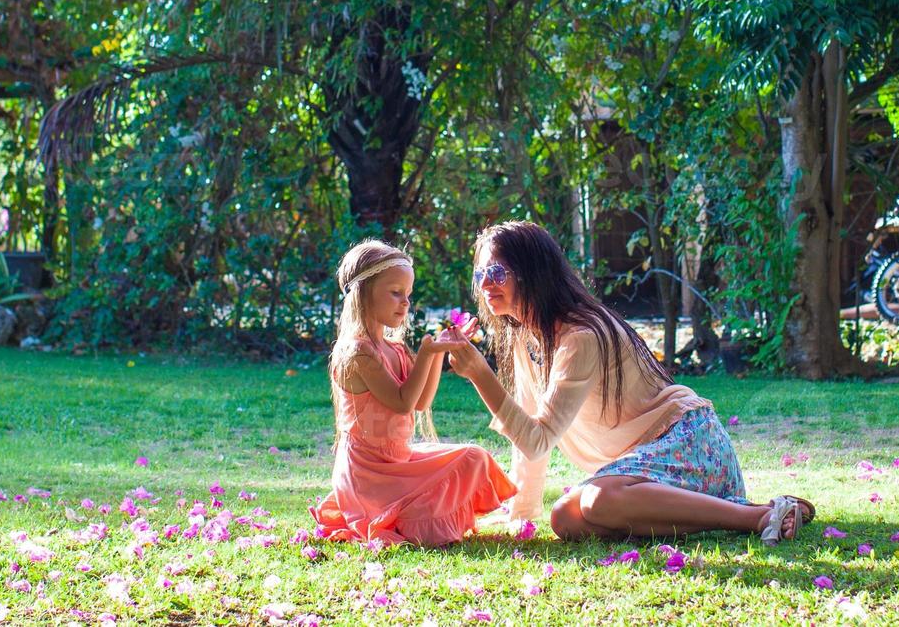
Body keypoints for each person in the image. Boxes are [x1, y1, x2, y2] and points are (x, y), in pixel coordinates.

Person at [443, 221, 814, 542]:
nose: (486, 285)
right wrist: (521, 514)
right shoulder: (527, 336)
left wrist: (479, 373)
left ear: (532, 273)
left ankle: (759, 516)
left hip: (687, 443)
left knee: (597, 501)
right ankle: (719, 515)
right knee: (566, 518)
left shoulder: (580, 335)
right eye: (481, 275)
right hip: (638, 473)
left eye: (497, 273)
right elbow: (528, 426)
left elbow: (538, 440)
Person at [310, 239, 517, 545]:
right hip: (370, 473)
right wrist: (426, 353)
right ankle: (398, 515)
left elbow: (421, 401)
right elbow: (403, 402)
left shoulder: (392, 347)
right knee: (431, 500)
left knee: (474, 457)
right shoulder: (357, 352)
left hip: (398, 462)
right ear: (363, 294)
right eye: (395, 293)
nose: (405, 303)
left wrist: (435, 353)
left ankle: (414, 513)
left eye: (408, 294)